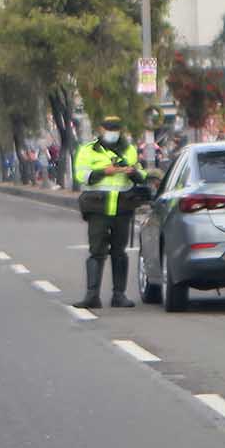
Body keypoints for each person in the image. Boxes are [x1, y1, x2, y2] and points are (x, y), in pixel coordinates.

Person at [72, 116, 146, 310]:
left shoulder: (129, 150)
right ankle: (92, 296)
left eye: (116, 128)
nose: (112, 132)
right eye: (109, 128)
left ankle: (119, 295)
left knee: (119, 253)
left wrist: (132, 172)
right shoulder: (88, 150)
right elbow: (82, 175)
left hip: (122, 208)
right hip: (98, 209)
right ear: (101, 129)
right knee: (96, 251)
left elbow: (142, 176)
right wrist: (105, 171)